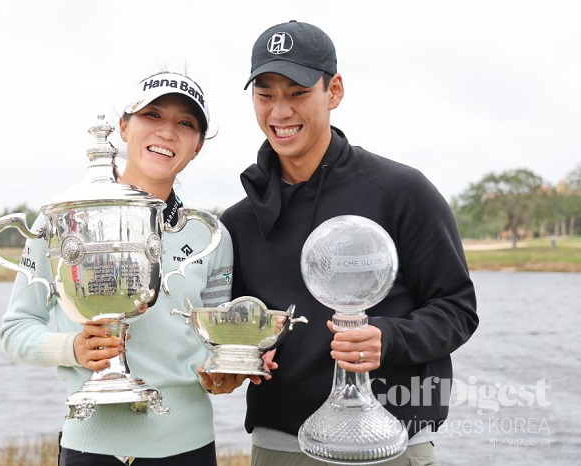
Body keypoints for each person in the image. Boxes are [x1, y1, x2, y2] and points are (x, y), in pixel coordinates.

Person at [202, 20, 479, 465]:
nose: (279, 112)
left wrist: (387, 339)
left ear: (334, 92)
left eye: (297, 92)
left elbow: (457, 309)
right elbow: (236, 330)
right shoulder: (237, 220)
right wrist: (233, 364)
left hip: (390, 445)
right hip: (280, 447)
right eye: (265, 94)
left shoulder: (403, 191)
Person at [0, 71, 233, 466]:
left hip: (187, 446)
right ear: (124, 127)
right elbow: (15, 329)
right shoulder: (62, 219)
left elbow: (218, 340)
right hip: (91, 444)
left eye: (185, 123)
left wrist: (225, 372)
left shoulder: (210, 234)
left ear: (197, 148)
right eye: (153, 115)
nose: (167, 132)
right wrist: (73, 348)